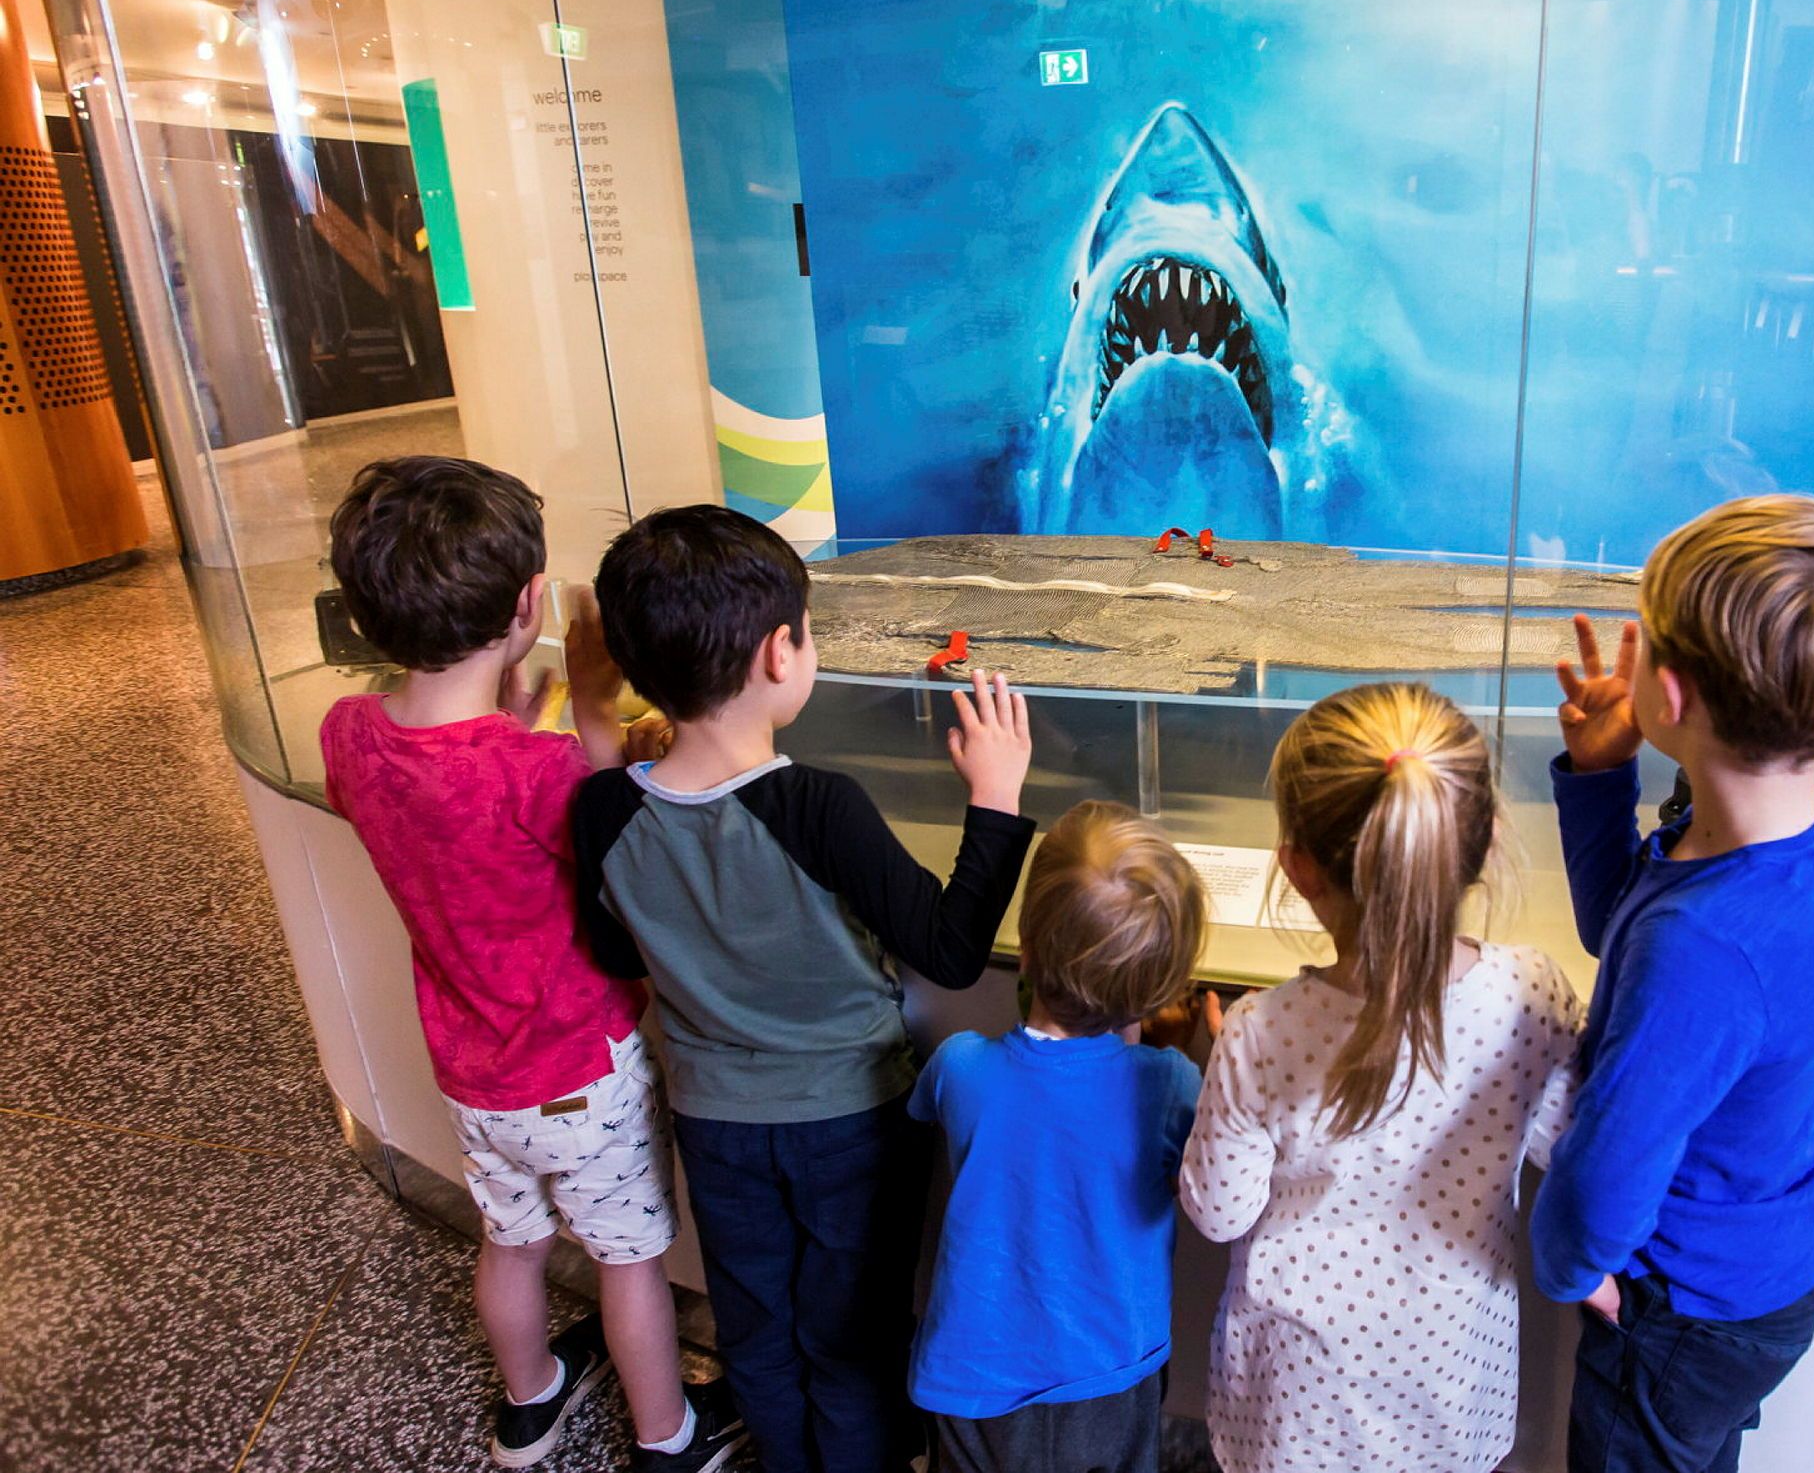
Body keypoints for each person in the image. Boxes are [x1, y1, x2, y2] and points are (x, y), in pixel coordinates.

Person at [571, 504, 1036, 1473]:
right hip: (849, 1120)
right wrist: (995, 796)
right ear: (782, 653)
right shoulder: (818, 805)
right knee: (852, 1329)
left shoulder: (604, 806)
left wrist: (589, 716)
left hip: (714, 1122)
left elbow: (615, 953)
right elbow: (950, 952)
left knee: (756, 1322)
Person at [319, 456, 740, 1472]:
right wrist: (590, 716)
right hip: (578, 1072)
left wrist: (508, 711)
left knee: (510, 1240)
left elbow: (437, 801)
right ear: (529, 603)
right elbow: (608, 828)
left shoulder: (350, 735)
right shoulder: (535, 767)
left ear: (371, 619)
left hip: (472, 1071)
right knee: (628, 1266)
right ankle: (667, 1437)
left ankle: (529, 1404)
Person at [1534, 494, 1814, 1473]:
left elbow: (1614, 1152)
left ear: (1671, 689)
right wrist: (1598, 774)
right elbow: (1616, 925)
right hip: (1765, 1265)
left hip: (1686, 1307)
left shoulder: (1706, 944)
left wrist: (1573, 1264)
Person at [1179, 681, 1584, 1472]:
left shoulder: (1262, 1034)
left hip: (1293, 1404)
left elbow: (1219, 1211)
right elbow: (1563, 1147)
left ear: (1296, 869)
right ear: (1488, 839)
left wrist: (1222, 1065)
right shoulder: (1531, 992)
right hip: (1450, 1381)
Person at [910, 800, 1210, 1473]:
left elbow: (934, 1106)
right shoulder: (1169, 1084)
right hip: (1111, 1371)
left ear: (1029, 942)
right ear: (1155, 988)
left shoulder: (960, 1068)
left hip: (972, 1380)